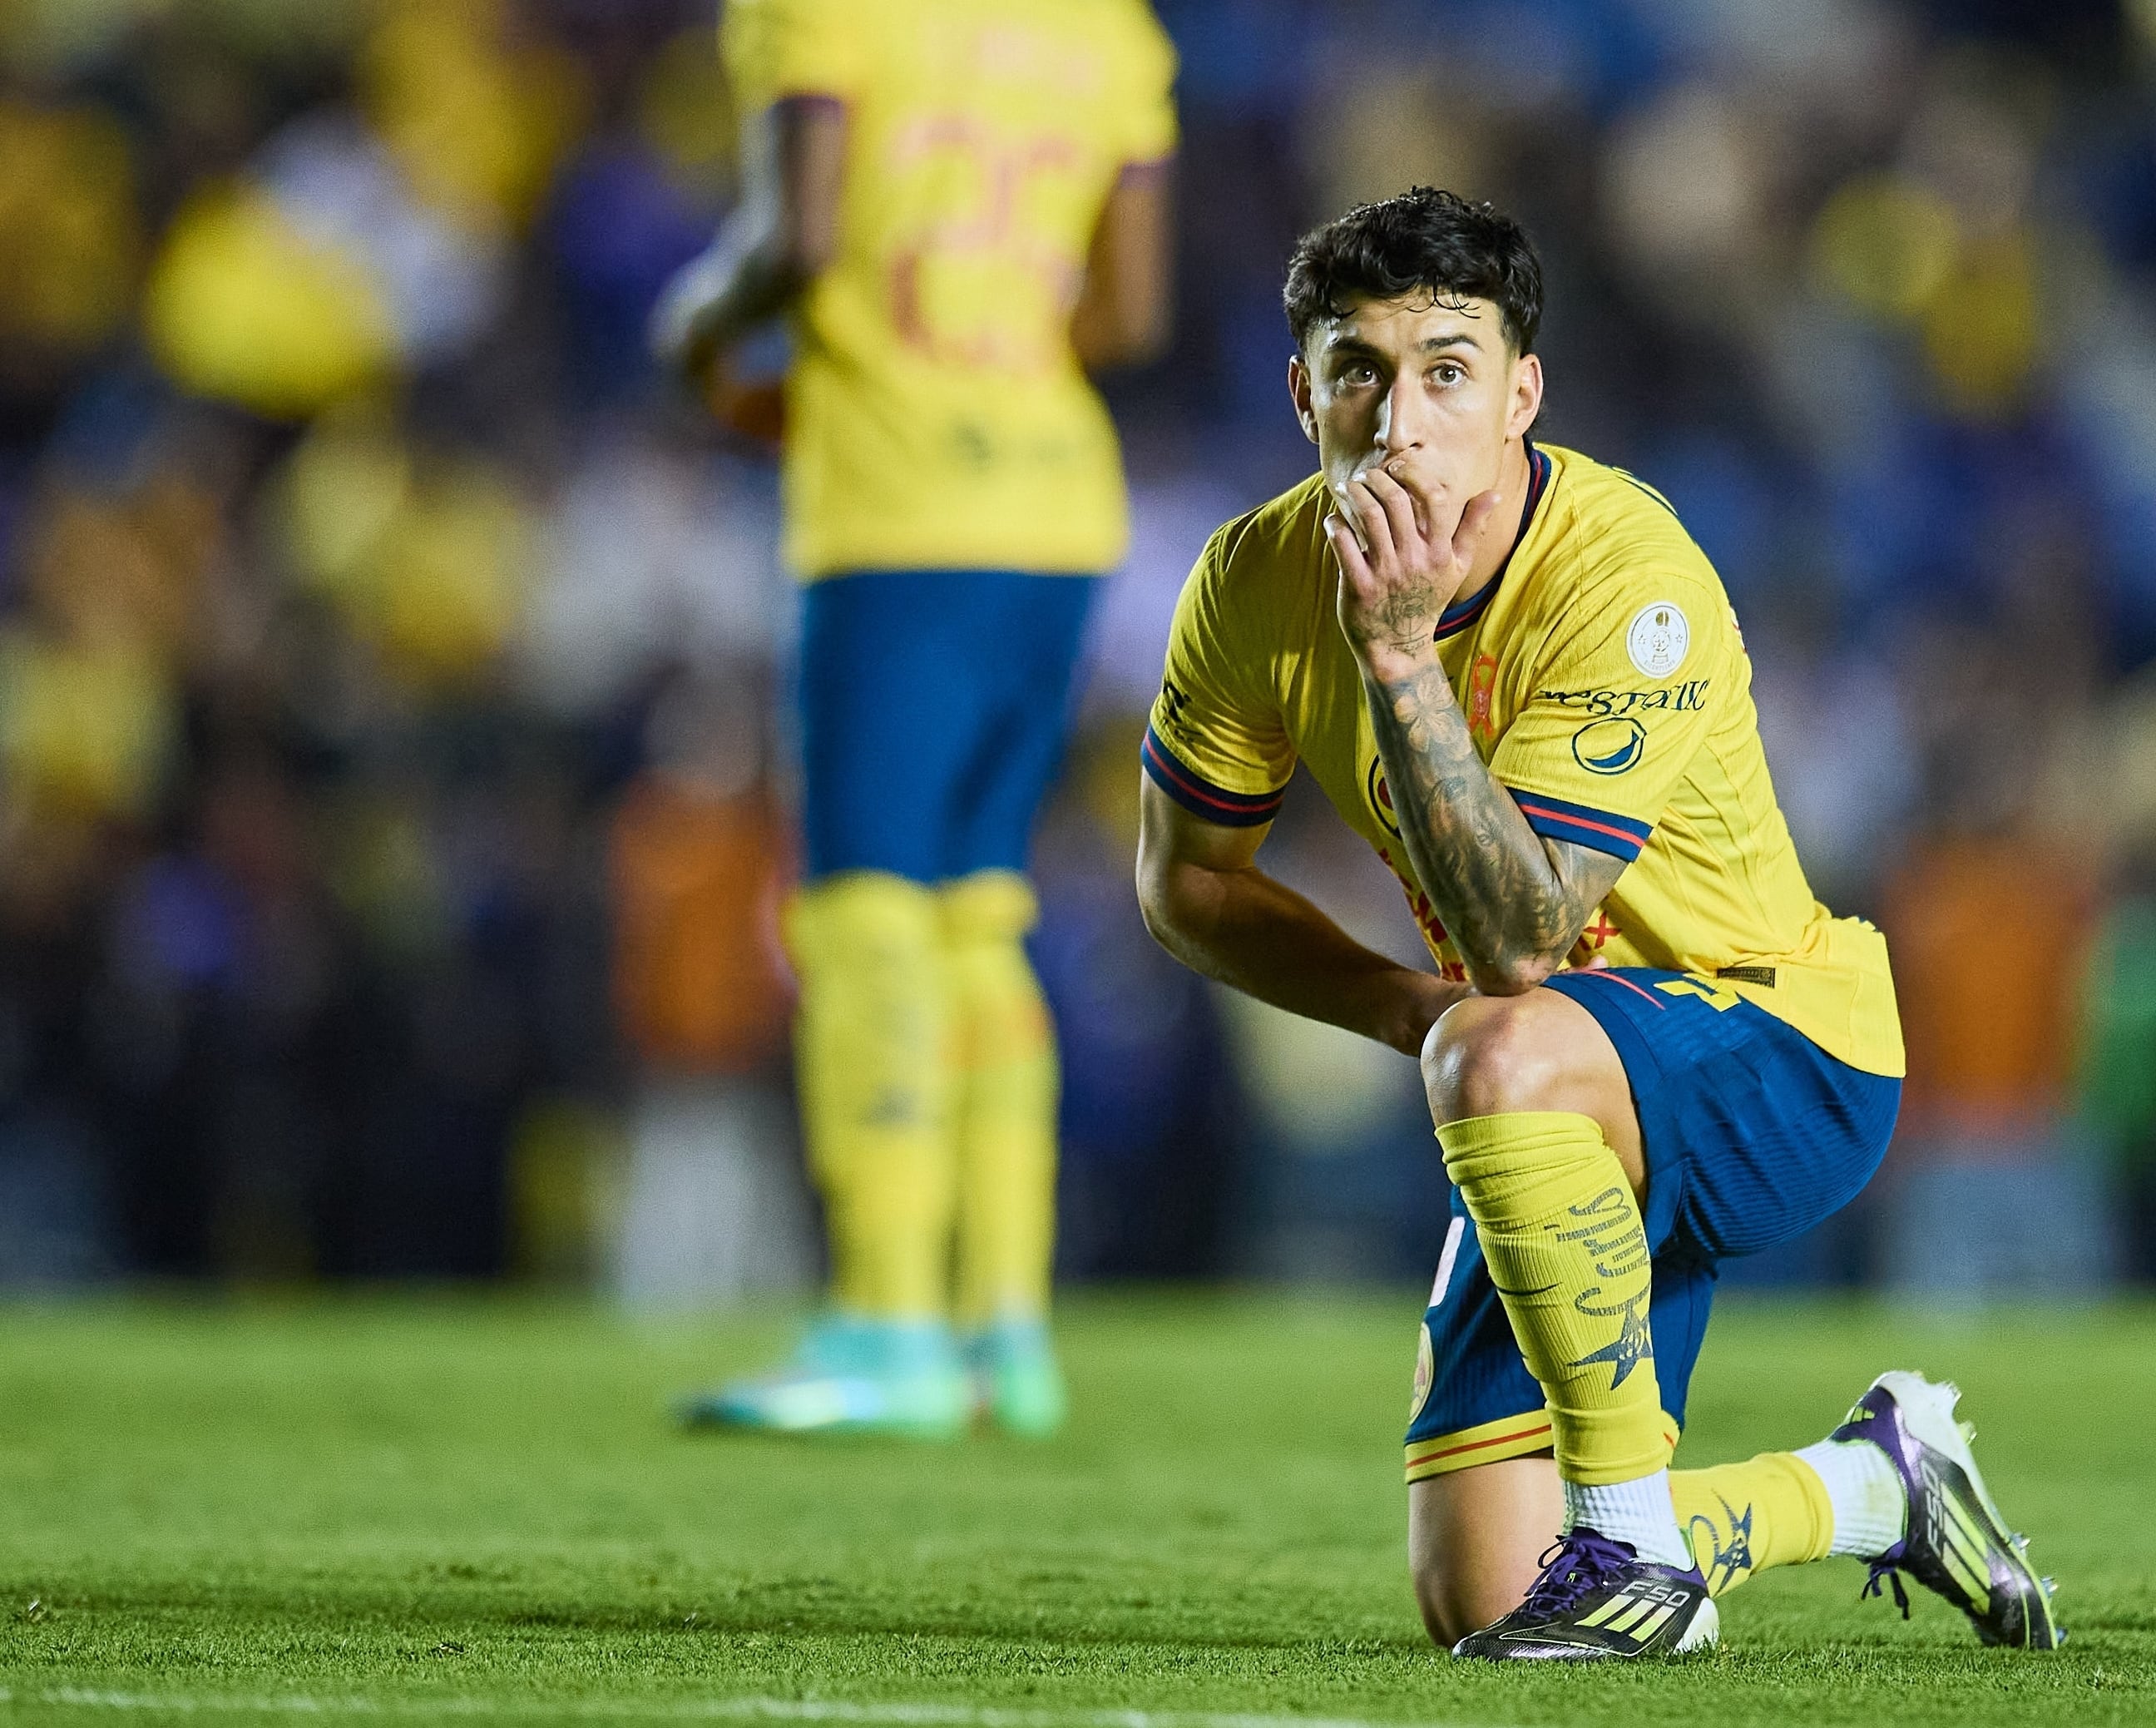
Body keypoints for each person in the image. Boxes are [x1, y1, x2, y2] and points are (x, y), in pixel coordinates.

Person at [1133, 187, 2060, 1659]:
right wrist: (1400, 1010)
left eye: (1447, 369)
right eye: (1357, 369)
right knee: (1483, 1598)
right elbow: (1186, 882)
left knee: (1499, 1050)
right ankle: (1879, 1483)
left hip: (1780, 1045)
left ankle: (1631, 1554)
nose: (1398, 416)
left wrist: (1397, 655)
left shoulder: (1629, 575)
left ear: (1521, 394)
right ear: (1301, 391)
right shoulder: (1251, 580)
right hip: (1547, 1094)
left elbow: (1516, 944)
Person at [646, 0, 1176, 1438]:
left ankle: (887, 1318)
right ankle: (1004, 1325)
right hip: (1058, 505)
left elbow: (798, 243)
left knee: (869, 910)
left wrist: (692, 318)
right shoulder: (1106, 32)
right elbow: (1127, 313)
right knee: (975, 913)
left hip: (896, 504)